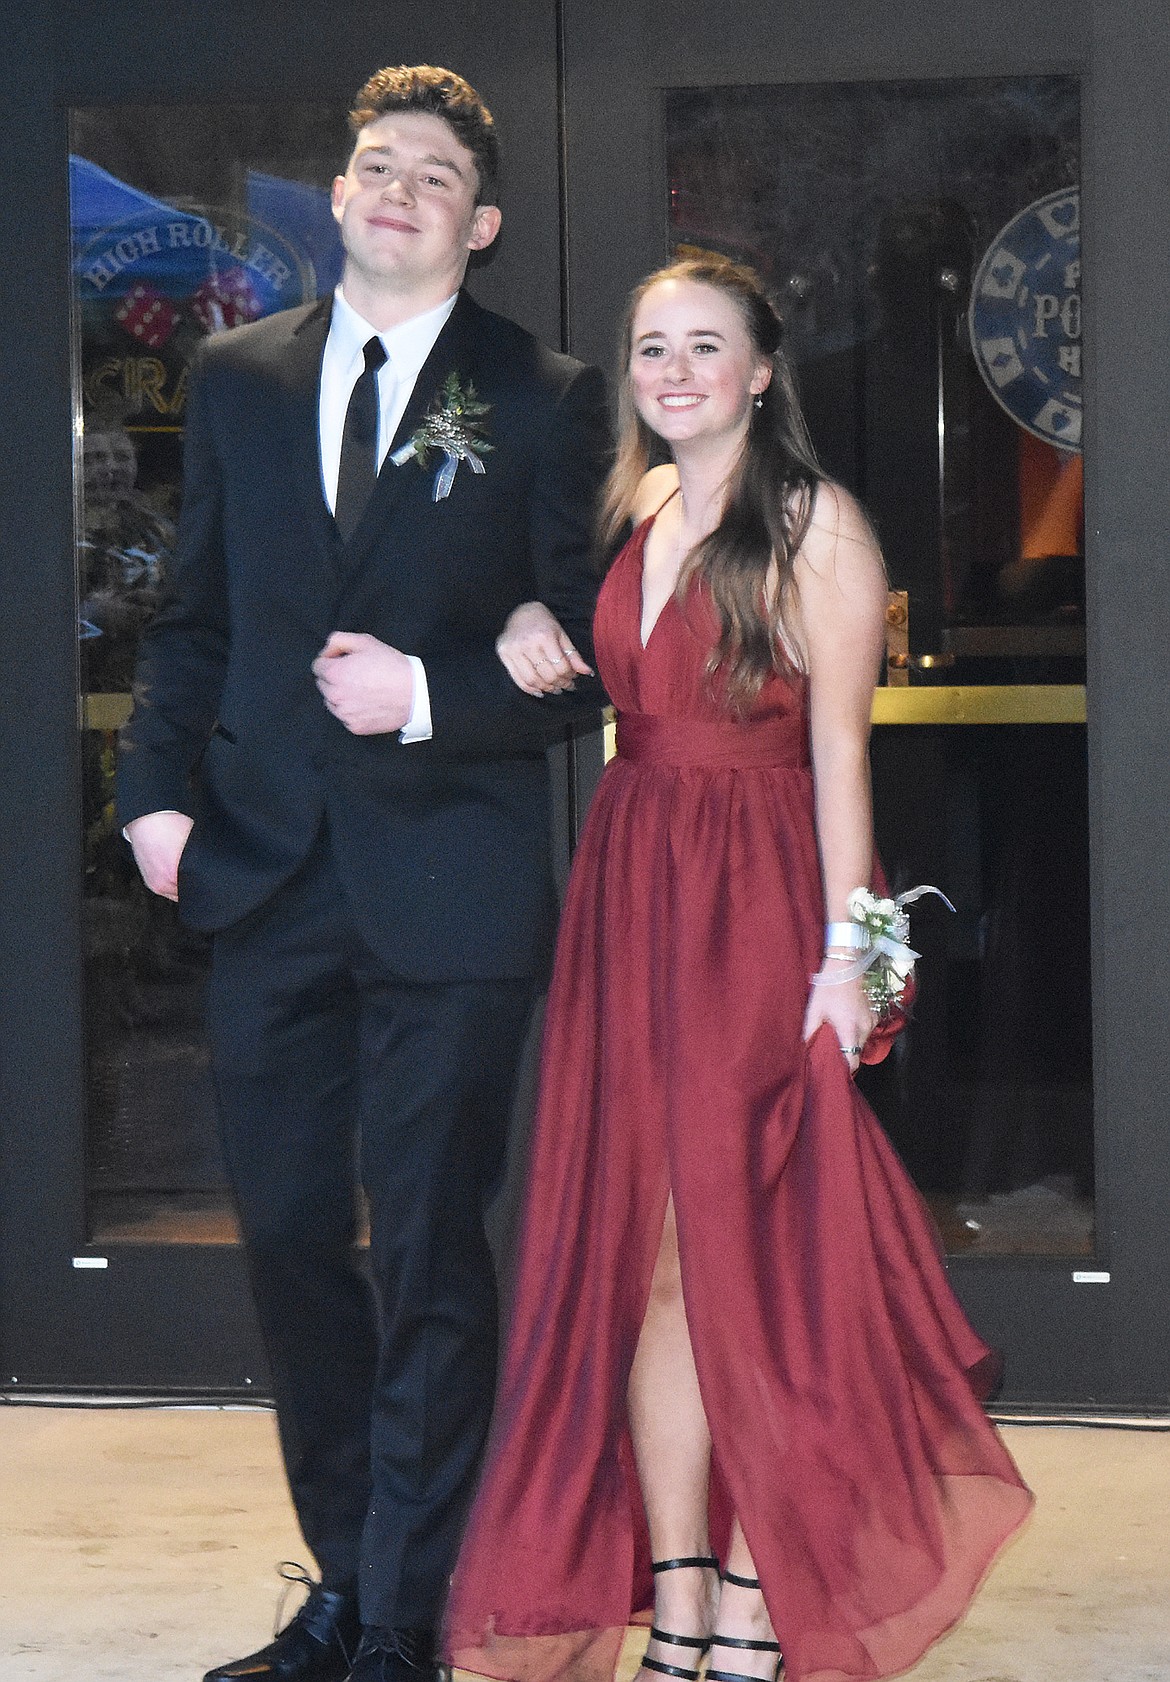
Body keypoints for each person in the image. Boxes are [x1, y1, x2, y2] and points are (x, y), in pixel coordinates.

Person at [444, 252, 1032, 1682]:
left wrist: (856, 955)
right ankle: (686, 1597)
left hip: (763, 905)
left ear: (762, 369)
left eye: (705, 345)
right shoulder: (636, 506)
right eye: (652, 348)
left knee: (774, 1265)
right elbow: (605, 690)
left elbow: (843, 759)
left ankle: (768, 1602)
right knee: (650, 1268)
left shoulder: (817, 525)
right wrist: (528, 619)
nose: (674, 371)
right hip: (634, 891)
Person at [117, 64, 608, 1682]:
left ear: (476, 223)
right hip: (261, 878)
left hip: (447, 892)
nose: (396, 184)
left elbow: (593, 654)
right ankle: (342, 1576)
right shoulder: (239, 377)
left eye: (432, 173)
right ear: (335, 199)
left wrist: (433, 695)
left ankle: (404, 1612)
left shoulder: (542, 392)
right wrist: (148, 803)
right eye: (372, 163)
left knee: (424, 1248)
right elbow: (192, 619)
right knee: (279, 1237)